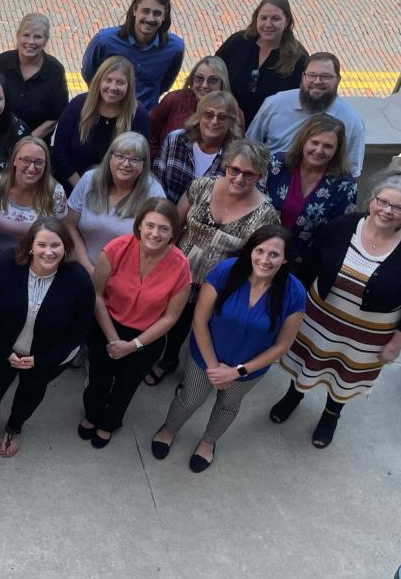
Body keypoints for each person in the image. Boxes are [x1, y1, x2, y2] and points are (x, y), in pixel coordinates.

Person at [272, 168, 401, 448]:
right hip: (317, 319)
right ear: (372, 199)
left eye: (398, 207)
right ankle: (293, 395)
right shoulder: (342, 226)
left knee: (345, 376)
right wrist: (290, 310)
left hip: (366, 336)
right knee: (305, 361)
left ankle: (331, 415)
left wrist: (396, 345)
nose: (387, 210)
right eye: (382, 201)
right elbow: (309, 267)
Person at [150, 225, 306, 472]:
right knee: (189, 399)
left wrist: (236, 372)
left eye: (274, 254)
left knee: (228, 406)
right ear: (250, 250)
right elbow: (199, 321)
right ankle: (169, 428)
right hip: (206, 358)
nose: (264, 259)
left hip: (248, 370)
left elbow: (282, 346)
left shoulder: (294, 292)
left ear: (285, 259)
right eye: (260, 251)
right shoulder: (226, 271)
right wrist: (214, 367)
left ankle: (208, 441)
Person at [148, 140, 279, 387]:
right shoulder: (202, 186)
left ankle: (195, 374)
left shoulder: (267, 214)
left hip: (222, 280)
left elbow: (260, 255)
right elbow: (175, 224)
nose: (239, 179)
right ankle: (168, 359)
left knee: (208, 326)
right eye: (234, 170)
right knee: (176, 319)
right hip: (182, 270)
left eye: (248, 174)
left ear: (260, 175)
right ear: (226, 166)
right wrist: (163, 261)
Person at [0, 218, 94, 457]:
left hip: (45, 358)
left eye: (56, 245)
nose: (49, 251)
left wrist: (41, 360)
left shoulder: (79, 280)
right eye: (42, 244)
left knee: (30, 394)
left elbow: (80, 329)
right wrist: (4, 351)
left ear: (66, 247)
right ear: (31, 245)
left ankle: (14, 427)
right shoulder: (5, 264)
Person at [79, 199, 190, 448]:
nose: (155, 233)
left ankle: (109, 422)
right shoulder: (116, 249)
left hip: (146, 336)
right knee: (98, 377)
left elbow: (171, 317)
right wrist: (112, 339)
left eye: (163, 228)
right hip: (106, 325)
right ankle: (93, 414)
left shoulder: (181, 266)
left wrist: (133, 345)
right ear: (139, 225)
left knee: (126, 386)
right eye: (150, 225)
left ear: (174, 231)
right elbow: (96, 294)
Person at [245, 51, 365, 178]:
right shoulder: (275, 104)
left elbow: (351, 172)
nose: (317, 81)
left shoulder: (352, 122)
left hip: (319, 191)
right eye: (312, 75)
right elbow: (250, 145)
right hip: (267, 183)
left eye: (326, 76)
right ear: (303, 77)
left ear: (338, 80)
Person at [265, 114, 358, 270]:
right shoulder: (277, 164)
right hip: (259, 253)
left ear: (337, 150)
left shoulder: (344, 185)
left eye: (328, 146)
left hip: (301, 265)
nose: (319, 150)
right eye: (314, 142)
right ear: (304, 141)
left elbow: (339, 233)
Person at [65, 132, 167, 272]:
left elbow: (156, 241)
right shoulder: (89, 179)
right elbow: (69, 226)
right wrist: (88, 268)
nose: (126, 164)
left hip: (128, 275)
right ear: (110, 158)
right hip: (80, 268)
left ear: (144, 164)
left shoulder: (154, 193)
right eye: (120, 156)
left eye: (135, 159)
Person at [52, 56, 150, 193]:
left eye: (120, 82)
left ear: (129, 86)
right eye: (108, 80)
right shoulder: (78, 105)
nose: (113, 87)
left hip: (117, 193)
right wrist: (81, 187)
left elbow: (141, 160)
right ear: (99, 81)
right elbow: (59, 152)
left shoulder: (138, 115)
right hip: (72, 188)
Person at [81, 0, 185, 111]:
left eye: (157, 13)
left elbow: (164, 84)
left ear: (164, 16)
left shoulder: (175, 49)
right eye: (145, 11)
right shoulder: (104, 41)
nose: (150, 18)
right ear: (135, 10)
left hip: (143, 120)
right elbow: (89, 74)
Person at [216, 0, 309, 121]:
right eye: (263, 18)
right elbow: (214, 72)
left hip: (270, 131)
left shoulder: (298, 58)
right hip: (227, 125)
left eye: (275, 19)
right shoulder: (238, 43)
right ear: (256, 19)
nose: (268, 24)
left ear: (287, 22)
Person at [0, 13, 69, 141]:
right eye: (26, 35)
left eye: (37, 37)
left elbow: (55, 117)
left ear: (45, 40)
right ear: (18, 36)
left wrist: (27, 141)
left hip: (33, 146)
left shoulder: (55, 71)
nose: (31, 42)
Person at [152, 90, 243, 203]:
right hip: (165, 213)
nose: (214, 121)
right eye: (208, 115)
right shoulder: (175, 140)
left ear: (231, 122)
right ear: (199, 116)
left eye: (222, 117)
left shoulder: (236, 157)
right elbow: (157, 183)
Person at [0, 135, 67, 252]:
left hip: (37, 256)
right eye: (26, 160)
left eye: (39, 162)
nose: (32, 168)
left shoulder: (55, 193)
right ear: (14, 160)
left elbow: (58, 235)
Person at [147, 56, 243, 156]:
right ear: (192, 79)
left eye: (213, 80)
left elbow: (237, 152)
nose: (204, 85)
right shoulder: (174, 100)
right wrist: (156, 162)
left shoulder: (234, 113)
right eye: (199, 78)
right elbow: (148, 133)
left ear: (223, 83)